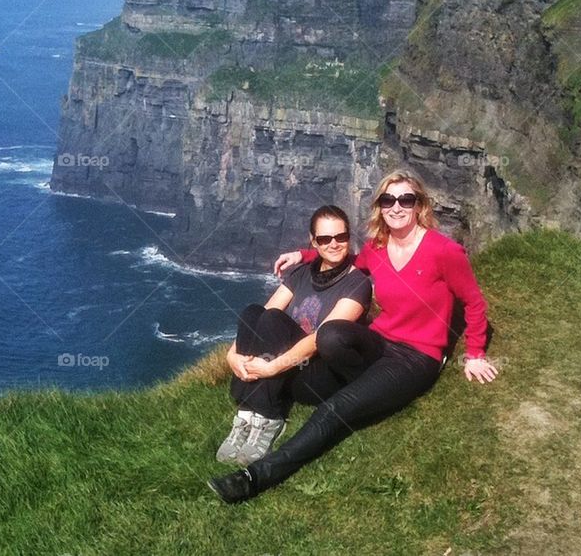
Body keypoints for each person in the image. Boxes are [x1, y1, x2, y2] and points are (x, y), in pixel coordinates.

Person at [208, 170, 496, 503]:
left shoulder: (444, 251)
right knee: (330, 334)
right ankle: (298, 396)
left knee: (334, 411)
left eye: (406, 199)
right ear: (380, 206)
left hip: (415, 358)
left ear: (419, 204)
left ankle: (253, 478)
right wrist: (305, 255)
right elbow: (347, 256)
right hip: (378, 343)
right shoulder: (379, 248)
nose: (397, 207)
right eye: (388, 200)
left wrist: (474, 353)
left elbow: (474, 303)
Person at [214, 205, 371, 467]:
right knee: (253, 312)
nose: (334, 244)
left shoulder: (359, 283)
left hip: (319, 374)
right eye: (324, 239)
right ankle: (246, 414)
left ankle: (268, 416)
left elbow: (318, 339)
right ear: (314, 242)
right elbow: (263, 313)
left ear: (349, 237)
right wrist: (233, 356)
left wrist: (271, 368)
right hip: (290, 366)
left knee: (273, 320)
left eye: (341, 237)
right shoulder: (301, 273)